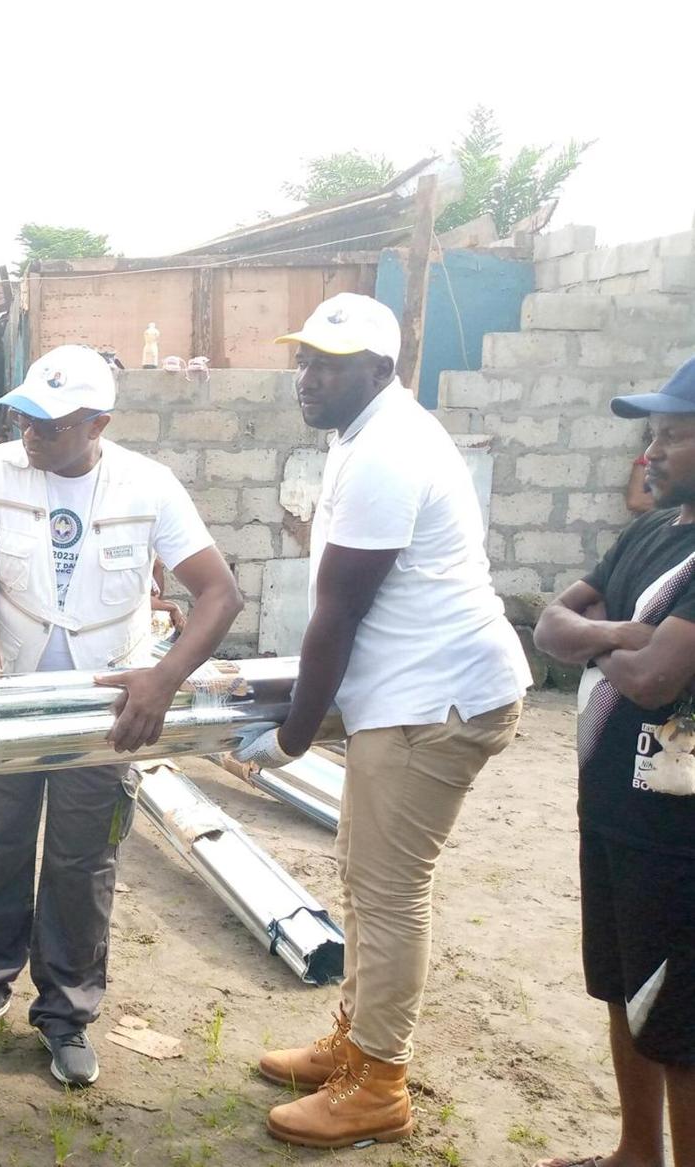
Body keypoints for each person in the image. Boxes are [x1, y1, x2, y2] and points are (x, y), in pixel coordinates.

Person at [234, 293, 530, 1148]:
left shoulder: (386, 451)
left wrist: (293, 735)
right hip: (412, 692)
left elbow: (339, 612)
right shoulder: (366, 437)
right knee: (365, 874)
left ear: (379, 368)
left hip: (431, 702)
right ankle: (355, 1040)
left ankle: (379, 1082)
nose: (307, 376)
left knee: (391, 891)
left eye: (328, 363)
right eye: (304, 359)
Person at [0, 344, 243, 1087]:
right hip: (13, 701)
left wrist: (163, 679)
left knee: (83, 862)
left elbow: (220, 594)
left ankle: (66, 1015)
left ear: (98, 423)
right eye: (25, 416)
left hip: (108, 714)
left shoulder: (149, 486)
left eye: (51, 423)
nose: (31, 433)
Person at [532, 355, 695, 1167]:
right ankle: (637, 1153)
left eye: (671, 434)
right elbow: (550, 624)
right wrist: (616, 639)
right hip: (613, 813)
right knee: (625, 989)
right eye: (651, 434)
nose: (651, 453)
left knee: (681, 1022)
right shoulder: (649, 532)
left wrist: (604, 647)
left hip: (679, 834)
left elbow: (661, 680)